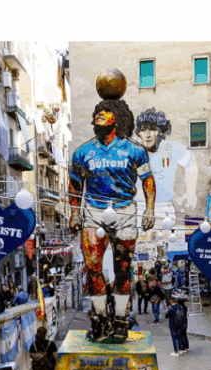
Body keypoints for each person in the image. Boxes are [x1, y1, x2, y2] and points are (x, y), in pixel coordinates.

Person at [69, 93, 156, 341]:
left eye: (106, 110)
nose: (100, 113)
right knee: (92, 267)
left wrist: (149, 209)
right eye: (98, 110)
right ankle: (100, 319)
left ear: (116, 118)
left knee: (123, 270)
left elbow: (147, 180)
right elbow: (74, 186)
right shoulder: (83, 152)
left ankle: (120, 319)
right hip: (94, 212)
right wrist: (75, 213)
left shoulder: (134, 150)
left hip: (124, 211)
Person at [135, 108, 195, 230]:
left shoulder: (173, 148)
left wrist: (190, 193)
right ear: (139, 133)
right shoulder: (133, 151)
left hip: (164, 208)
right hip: (138, 207)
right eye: (143, 130)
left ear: (160, 132)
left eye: (152, 129)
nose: (147, 134)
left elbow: (192, 165)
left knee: (165, 240)